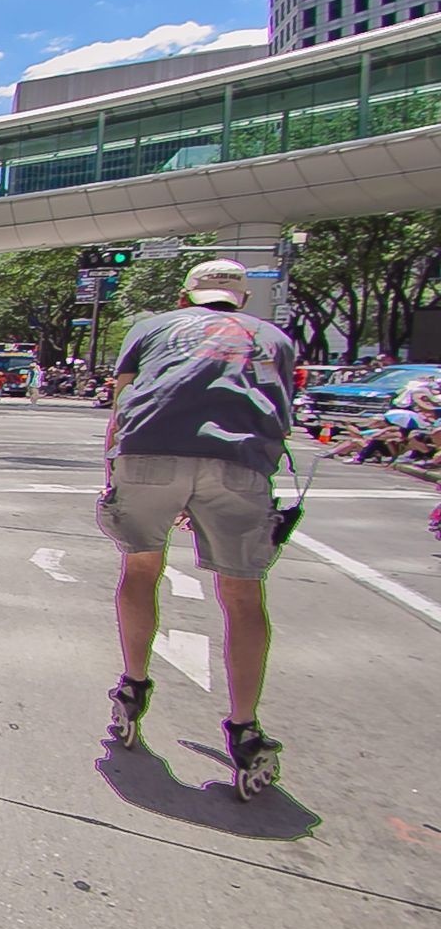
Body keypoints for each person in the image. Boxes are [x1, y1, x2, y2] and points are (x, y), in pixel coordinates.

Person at [98, 259, 298, 799]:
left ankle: (133, 687)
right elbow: (280, 413)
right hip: (239, 464)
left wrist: (113, 477)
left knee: (141, 569)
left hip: (148, 455)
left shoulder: (151, 328)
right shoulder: (274, 338)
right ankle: (245, 728)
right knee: (243, 597)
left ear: (186, 297)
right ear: (243, 301)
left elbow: (122, 409)